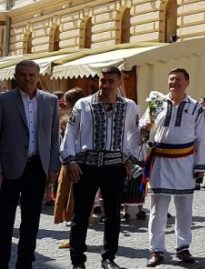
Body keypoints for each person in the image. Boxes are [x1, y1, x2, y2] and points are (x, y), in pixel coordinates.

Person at [60, 66, 140, 269]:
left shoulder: (129, 106)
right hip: (86, 166)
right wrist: (70, 161)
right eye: (103, 80)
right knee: (81, 215)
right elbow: (70, 134)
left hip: (115, 167)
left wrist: (131, 158)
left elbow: (134, 135)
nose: (106, 85)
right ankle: (78, 260)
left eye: (111, 81)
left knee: (113, 215)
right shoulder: (83, 104)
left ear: (119, 82)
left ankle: (108, 258)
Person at [140, 68, 205, 267]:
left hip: (185, 162)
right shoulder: (156, 103)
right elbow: (143, 126)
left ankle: (183, 247)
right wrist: (144, 128)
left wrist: (200, 166)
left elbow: (200, 138)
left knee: (184, 208)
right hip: (160, 162)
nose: (174, 83)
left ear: (187, 82)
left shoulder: (195, 108)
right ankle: (156, 249)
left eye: (178, 79)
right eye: (171, 79)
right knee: (157, 209)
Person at [0, 60, 61, 269]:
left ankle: (25, 262)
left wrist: (53, 166)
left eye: (31, 75)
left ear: (38, 76)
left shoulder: (50, 101)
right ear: (15, 76)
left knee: (31, 219)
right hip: (8, 168)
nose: (27, 78)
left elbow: (54, 137)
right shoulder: (3, 100)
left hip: (37, 167)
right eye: (22, 74)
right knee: (4, 220)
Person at [54, 87, 86, 249]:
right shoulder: (74, 115)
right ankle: (75, 238)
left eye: (66, 101)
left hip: (74, 163)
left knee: (73, 202)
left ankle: (75, 240)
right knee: (69, 200)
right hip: (68, 163)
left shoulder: (77, 117)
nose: (63, 103)